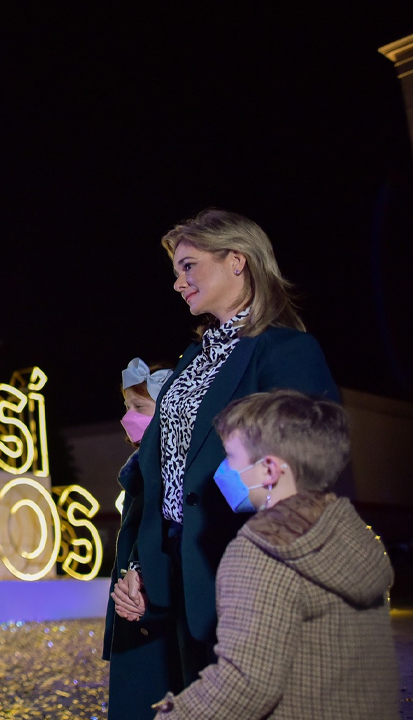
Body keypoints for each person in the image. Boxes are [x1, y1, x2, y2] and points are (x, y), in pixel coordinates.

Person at [109, 209, 339, 718]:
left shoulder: (285, 349)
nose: (178, 283)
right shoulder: (192, 361)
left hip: (246, 580)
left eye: (189, 266)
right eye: (175, 271)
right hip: (178, 579)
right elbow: (164, 474)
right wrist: (142, 566)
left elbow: (308, 467)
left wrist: (240, 538)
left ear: (237, 260)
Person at [152, 390, 397, 718]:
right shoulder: (351, 534)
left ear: (269, 470)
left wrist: (172, 715)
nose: (222, 470)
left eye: (230, 457)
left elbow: (244, 685)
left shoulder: (261, 552)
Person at [103, 359, 172, 720]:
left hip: (154, 615)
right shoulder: (139, 469)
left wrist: (144, 577)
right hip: (134, 612)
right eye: (127, 407)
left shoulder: (168, 470)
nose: (128, 417)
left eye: (139, 407)